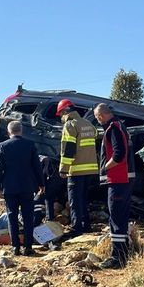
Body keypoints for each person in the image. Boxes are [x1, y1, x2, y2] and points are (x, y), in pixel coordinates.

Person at [0, 121, 44, 256]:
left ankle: (15, 246)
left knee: (12, 216)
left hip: (10, 187)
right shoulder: (30, 144)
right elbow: (37, 166)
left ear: (9, 132)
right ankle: (28, 246)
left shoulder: (3, 145)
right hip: (27, 186)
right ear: (21, 130)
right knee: (28, 217)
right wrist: (41, 183)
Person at [94, 103, 134, 269]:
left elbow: (119, 155)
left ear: (100, 116)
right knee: (120, 218)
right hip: (123, 179)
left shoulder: (113, 128)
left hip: (118, 179)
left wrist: (105, 167)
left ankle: (117, 258)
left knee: (116, 218)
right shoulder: (120, 126)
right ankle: (122, 253)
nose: (98, 121)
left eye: (97, 118)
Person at [57, 99, 99, 236]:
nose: (61, 117)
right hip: (90, 169)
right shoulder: (88, 124)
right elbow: (95, 137)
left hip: (76, 170)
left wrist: (63, 169)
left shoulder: (70, 125)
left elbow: (68, 149)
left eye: (61, 114)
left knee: (74, 200)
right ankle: (86, 226)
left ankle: (76, 228)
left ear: (65, 111)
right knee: (83, 199)